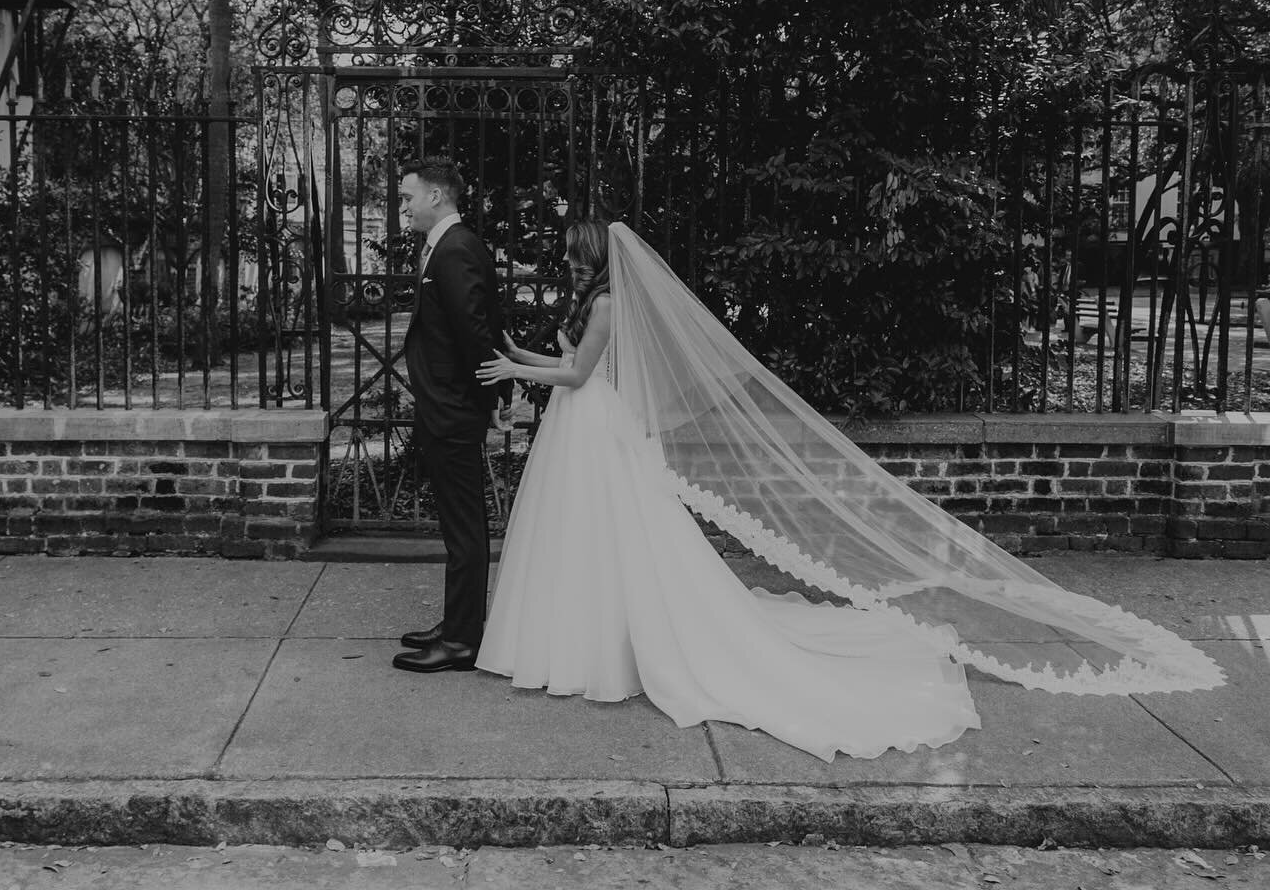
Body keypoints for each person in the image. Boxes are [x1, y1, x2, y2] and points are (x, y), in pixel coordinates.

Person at [474, 219, 1223, 761]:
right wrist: (517, 352)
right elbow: (571, 365)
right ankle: (584, 637)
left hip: (592, 429)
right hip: (579, 431)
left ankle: (614, 646)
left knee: (617, 539)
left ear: (591, 259)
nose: (565, 265)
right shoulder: (591, 305)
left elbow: (578, 377)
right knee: (586, 541)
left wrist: (519, 372)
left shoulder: (606, 306)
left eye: (571, 257)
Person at [393, 157, 511, 674]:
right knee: (456, 524)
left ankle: (464, 642)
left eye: (408, 197)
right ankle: (458, 624)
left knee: (464, 528)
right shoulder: (447, 245)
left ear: (437, 196)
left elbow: (474, 333)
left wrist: (485, 402)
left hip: (454, 408)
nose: (404, 206)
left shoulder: (456, 248)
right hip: (445, 404)